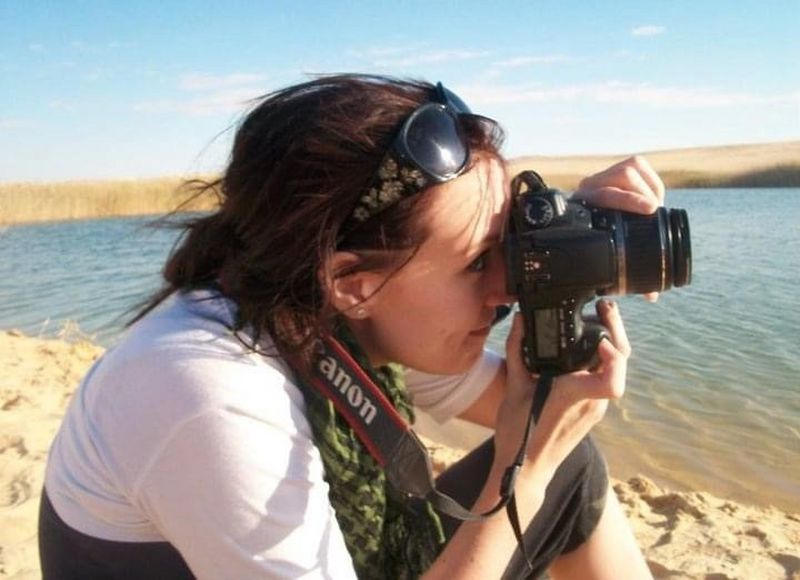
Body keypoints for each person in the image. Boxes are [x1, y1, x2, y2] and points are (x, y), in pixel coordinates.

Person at [39, 74, 663, 579]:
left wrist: (568, 241)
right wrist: (523, 471)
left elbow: (533, 409)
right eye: (479, 260)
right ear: (351, 282)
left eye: (506, 249)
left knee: (571, 468)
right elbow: (528, 442)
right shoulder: (209, 393)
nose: (503, 288)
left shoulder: (311, 307)